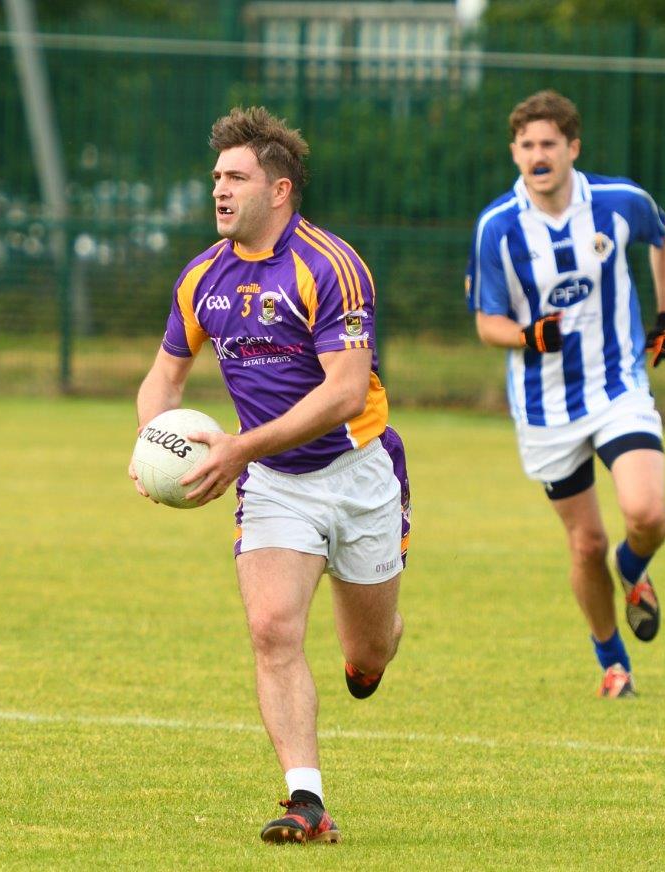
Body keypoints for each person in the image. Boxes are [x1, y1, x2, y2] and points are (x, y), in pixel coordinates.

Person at [129, 107, 411, 843]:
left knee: (367, 652)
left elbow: (345, 393)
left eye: (236, 177)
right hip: (274, 483)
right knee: (271, 629)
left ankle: (375, 646)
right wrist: (151, 447)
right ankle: (305, 801)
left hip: (359, 474)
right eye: (216, 177)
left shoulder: (330, 266)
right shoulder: (202, 277)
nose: (219, 191)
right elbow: (163, 378)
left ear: (279, 189)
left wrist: (238, 448)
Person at [466, 90, 665, 699]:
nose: (538, 156)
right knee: (585, 543)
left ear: (573, 148)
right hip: (544, 408)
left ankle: (634, 566)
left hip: (619, 386)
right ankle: (614, 663)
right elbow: (487, 323)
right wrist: (526, 335)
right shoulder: (497, 227)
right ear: (515, 151)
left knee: (647, 514)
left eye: (549, 145)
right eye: (527, 145)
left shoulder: (618, 202)